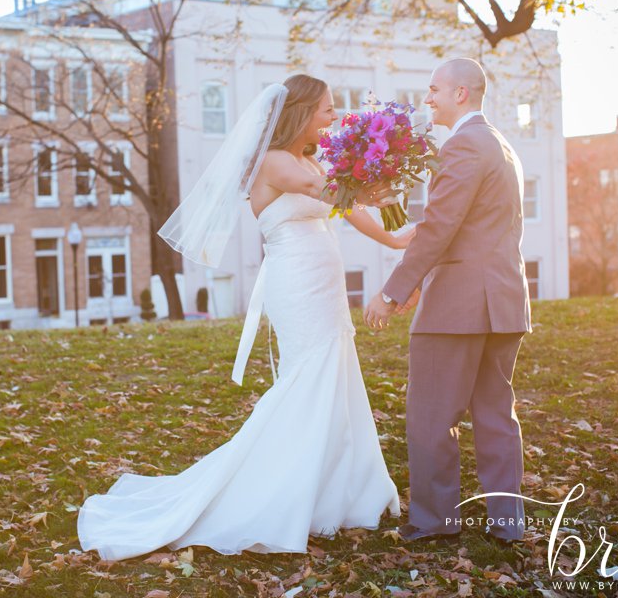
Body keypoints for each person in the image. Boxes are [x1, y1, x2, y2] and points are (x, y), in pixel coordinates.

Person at [77, 74, 412, 561]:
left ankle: (336, 490)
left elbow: (343, 207)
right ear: (299, 113)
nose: (334, 117)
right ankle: (278, 492)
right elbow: (335, 191)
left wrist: (395, 238)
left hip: (325, 285)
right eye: (326, 109)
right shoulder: (276, 163)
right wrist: (372, 180)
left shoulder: (309, 159)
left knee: (335, 374)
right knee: (307, 379)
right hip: (296, 282)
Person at [363, 58, 532, 544]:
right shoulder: (501, 145)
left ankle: (435, 521)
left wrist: (394, 290)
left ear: (461, 93)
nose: (428, 98)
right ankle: (507, 523)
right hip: (503, 302)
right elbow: (470, 229)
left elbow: (439, 229)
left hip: (458, 307)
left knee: (432, 418)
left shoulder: (462, 146)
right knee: (497, 416)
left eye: (434, 89)